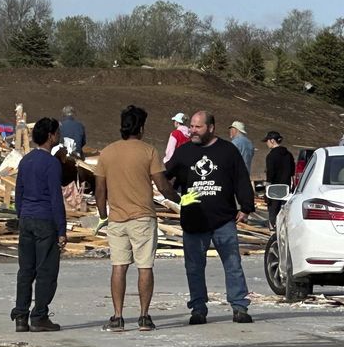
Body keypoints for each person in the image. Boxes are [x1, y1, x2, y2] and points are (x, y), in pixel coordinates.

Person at [165, 111, 255, 324]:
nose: (192, 131)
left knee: (233, 264)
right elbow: (166, 177)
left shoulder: (227, 151)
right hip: (194, 220)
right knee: (194, 267)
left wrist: (246, 206)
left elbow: (241, 178)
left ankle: (239, 306)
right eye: (192, 127)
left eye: (198, 127)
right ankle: (198, 308)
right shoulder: (184, 152)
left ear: (211, 128)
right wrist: (173, 197)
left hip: (223, 219)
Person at [94, 105, 178, 332]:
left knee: (118, 267)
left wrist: (103, 215)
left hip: (117, 218)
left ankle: (118, 317)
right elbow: (162, 185)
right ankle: (144, 316)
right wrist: (180, 200)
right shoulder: (148, 151)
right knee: (144, 267)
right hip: (142, 217)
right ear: (140, 127)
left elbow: (99, 190)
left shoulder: (107, 152)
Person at [11, 117, 66, 332]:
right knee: (46, 270)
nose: (58, 137)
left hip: (27, 219)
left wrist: (21, 216)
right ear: (51, 136)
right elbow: (55, 198)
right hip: (45, 220)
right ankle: (40, 315)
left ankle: (21, 316)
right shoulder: (51, 163)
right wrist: (61, 230)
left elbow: (19, 192)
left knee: (26, 269)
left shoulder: (26, 160)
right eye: (57, 133)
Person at [263, 131, 295, 229]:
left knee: (273, 209)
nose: (266, 143)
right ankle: (283, 228)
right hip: (286, 187)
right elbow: (292, 172)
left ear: (272, 141)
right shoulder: (288, 155)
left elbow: (270, 173)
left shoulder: (271, 156)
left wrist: (266, 186)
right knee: (284, 210)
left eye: (267, 141)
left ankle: (273, 228)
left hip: (274, 187)